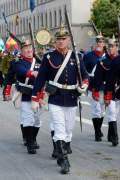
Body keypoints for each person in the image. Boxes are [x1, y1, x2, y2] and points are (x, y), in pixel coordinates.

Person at [31, 26, 89, 174]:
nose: (61, 42)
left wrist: (84, 85)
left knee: (69, 129)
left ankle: (60, 150)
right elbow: (41, 78)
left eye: (64, 39)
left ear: (69, 40)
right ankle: (64, 160)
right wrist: (35, 97)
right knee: (59, 127)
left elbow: (84, 75)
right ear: (55, 42)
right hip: (55, 97)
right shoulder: (49, 57)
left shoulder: (76, 56)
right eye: (58, 39)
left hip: (71, 97)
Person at [3, 38, 43, 154]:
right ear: (22, 50)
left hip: (38, 94)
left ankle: (32, 138)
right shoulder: (17, 62)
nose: (28, 50)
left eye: (30, 48)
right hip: (25, 93)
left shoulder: (39, 61)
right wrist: (6, 91)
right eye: (26, 48)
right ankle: (29, 143)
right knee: (27, 118)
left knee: (37, 120)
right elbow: (17, 73)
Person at [92, 37, 119, 146]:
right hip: (108, 90)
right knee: (111, 112)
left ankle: (110, 134)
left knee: (115, 113)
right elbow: (97, 77)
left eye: (112, 46)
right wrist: (95, 91)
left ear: (117, 47)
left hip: (118, 90)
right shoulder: (103, 62)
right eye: (108, 47)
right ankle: (114, 138)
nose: (110, 49)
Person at [83, 33, 106, 141]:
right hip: (93, 85)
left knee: (102, 110)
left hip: (104, 86)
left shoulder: (107, 55)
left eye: (101, 42)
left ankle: (99, 129)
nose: (99, 43)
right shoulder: (88, 56)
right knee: (95, 109)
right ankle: (97, 132)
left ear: (104, 43)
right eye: (97, 42)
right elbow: (83, 71)